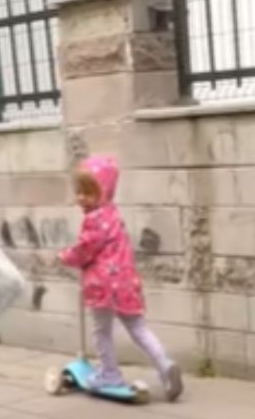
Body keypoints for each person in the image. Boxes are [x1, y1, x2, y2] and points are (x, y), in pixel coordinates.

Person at [58, 155, 182, 402]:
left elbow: (85, 249)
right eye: (79, 192)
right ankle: (164, 363)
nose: (80, 198)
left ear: (103, 192)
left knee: (101, 332)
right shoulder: (113, 214)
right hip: (125, 282)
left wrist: (65, 256)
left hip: (102, 286)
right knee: (138, 327)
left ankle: (110, 374)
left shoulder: (93, 221)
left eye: (87, 193)